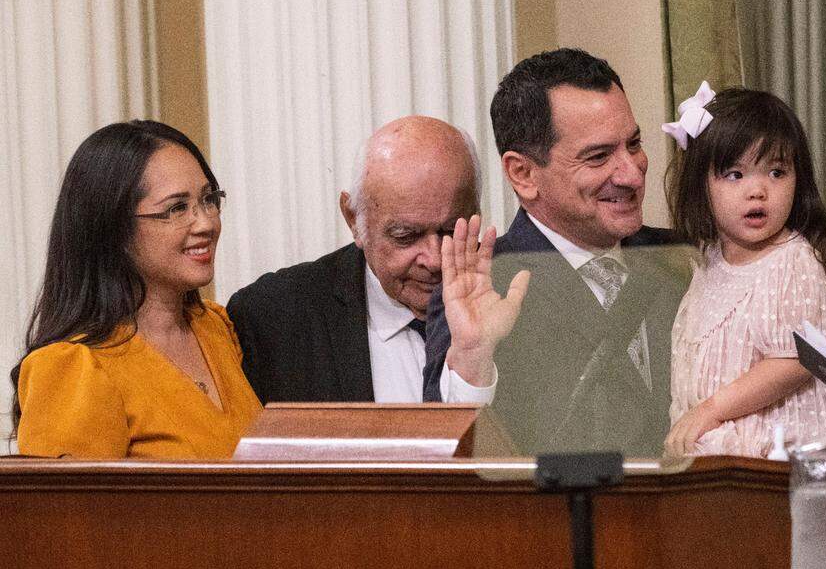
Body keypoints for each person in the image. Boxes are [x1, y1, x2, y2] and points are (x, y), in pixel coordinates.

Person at [423, 48, 688, 456]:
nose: (632, 174)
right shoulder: (485, 286)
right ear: (523, 174)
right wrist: (472, 359)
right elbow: (452, 455)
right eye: (599, 156)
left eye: (633, 144)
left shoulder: (682, 259)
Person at [11, 121, 262, 459]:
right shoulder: (73, 366)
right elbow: (65, 512)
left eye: (208, 200)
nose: (205, 223)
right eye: (177, 208)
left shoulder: (216, 328)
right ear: (114, 229)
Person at [226, 116, 490, 404]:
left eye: (452, 230)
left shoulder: (523, 301)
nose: (434, 259)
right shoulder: (275, 318)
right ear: (354, 220)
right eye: (405, 236)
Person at [661, 83, 826, 458]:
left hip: (783, 459)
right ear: (701, 186)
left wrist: (712, 409)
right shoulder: (709, 264)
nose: (758, 191)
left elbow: (796, 361)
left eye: (776, 172)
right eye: (735, 174)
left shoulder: (794, 262)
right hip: (722, 457)